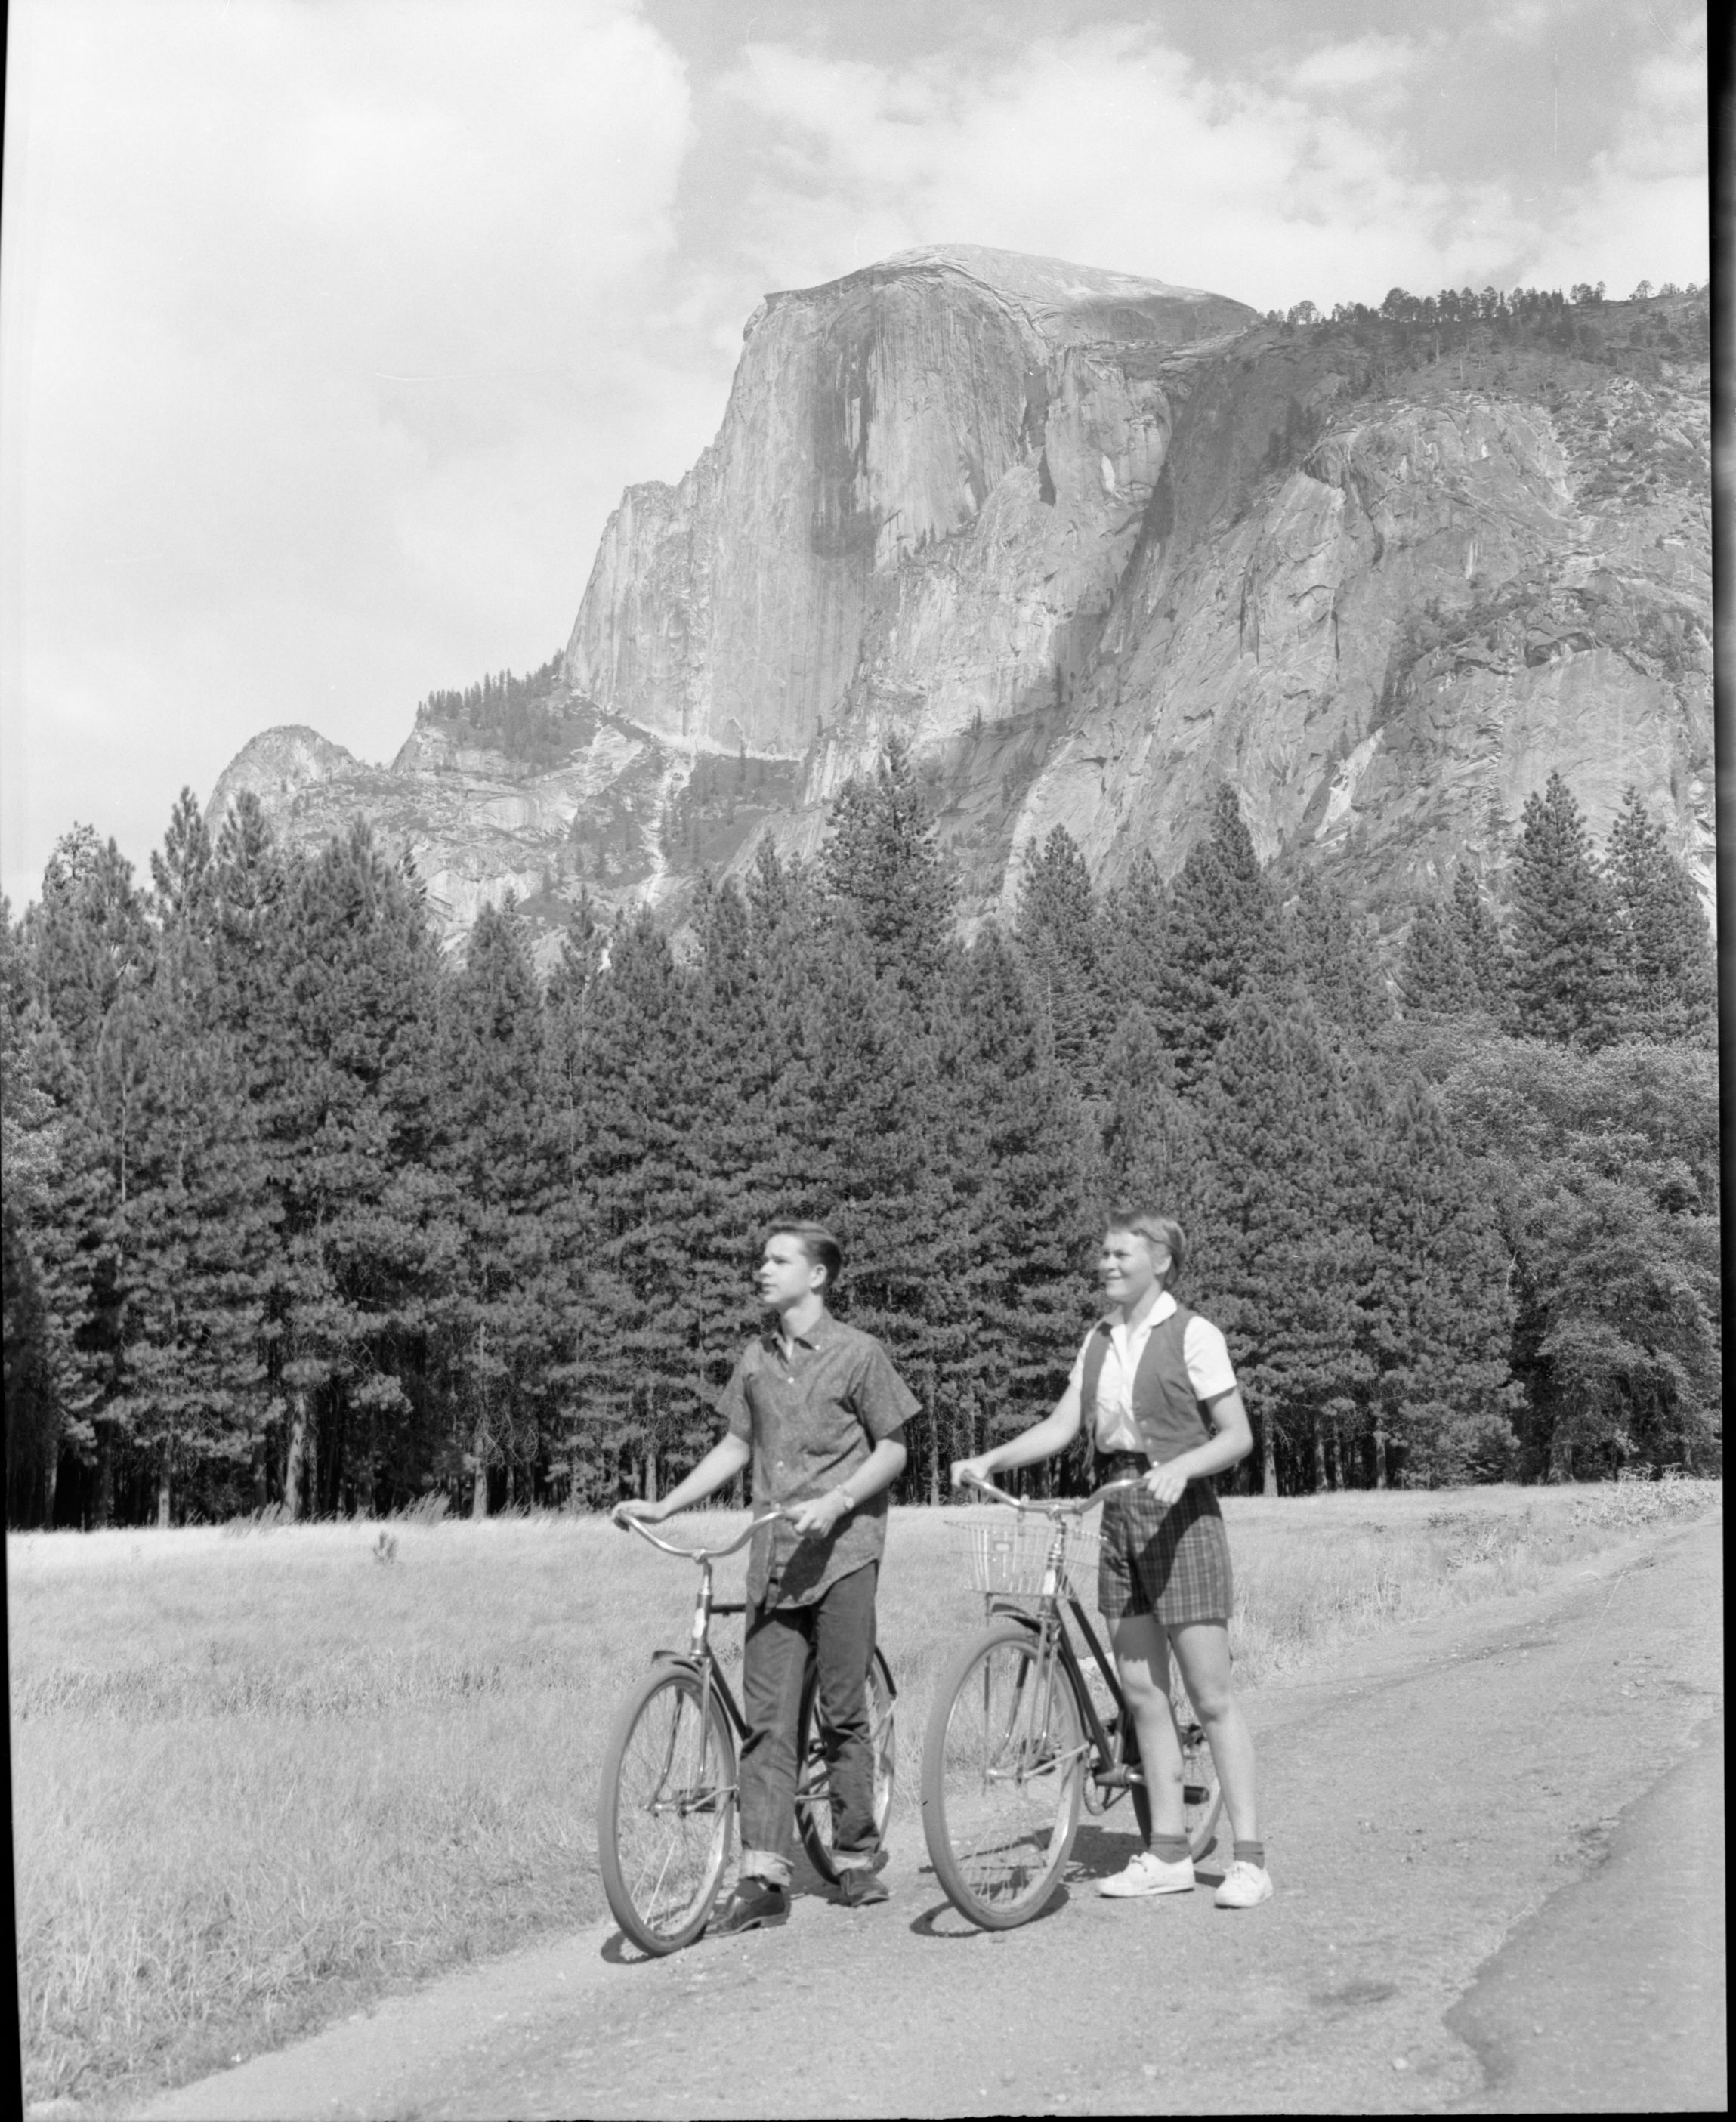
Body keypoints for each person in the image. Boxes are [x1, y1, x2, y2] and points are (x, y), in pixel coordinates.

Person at [952, 1206, 1272, 1910]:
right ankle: (1166, 1852)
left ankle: (1249, 1859)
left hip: (1181, 1515)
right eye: (1102, 1253)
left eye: (1120, 1253)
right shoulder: (1097, 1339)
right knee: (1142, 1692)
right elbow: (1067, 1424)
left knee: (1210, 1694)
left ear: (1161, 1260)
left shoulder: (1194, 1333)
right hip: (1119, 1505)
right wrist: (991, 1457)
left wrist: (1184, 1468)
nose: (1106, 1264)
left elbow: (1237, 1434)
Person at [616, 1220, 916, 1933]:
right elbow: (736, 1444)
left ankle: (853, 1858)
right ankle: (765, 1877)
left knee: (842, 1710)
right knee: (768, 1724)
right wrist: (666, 1503)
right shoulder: (754, 1357)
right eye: (761, 1258)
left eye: (778, 1260)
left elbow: (895, 1450)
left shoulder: (859, 1353)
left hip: (845, 1553)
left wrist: (838, 1500)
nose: (762, 1268)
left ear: (817, 1276)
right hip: (773, 1562)